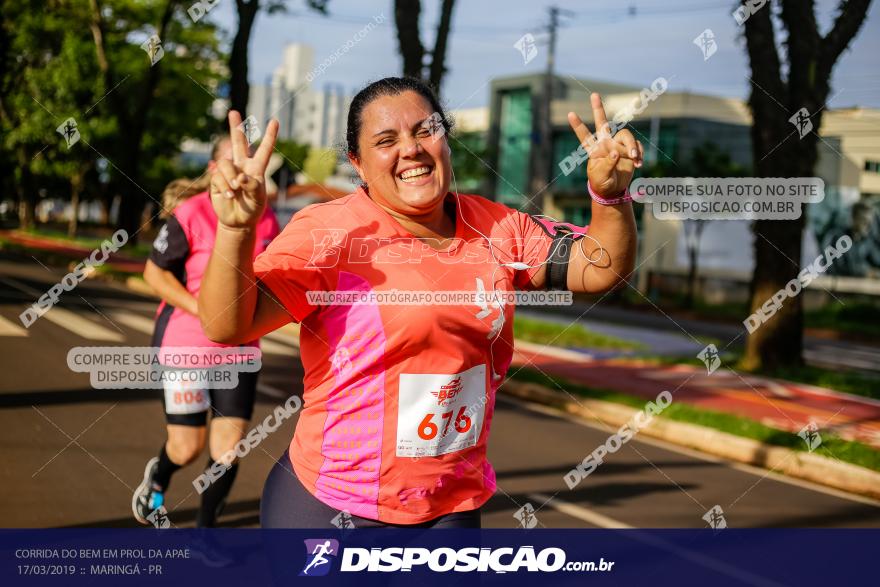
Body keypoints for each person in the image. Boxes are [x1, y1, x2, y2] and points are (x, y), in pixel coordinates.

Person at [199, 77, 639, 528]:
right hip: (334, 504)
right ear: (359, 164)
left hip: (450, 505)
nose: (410, 149)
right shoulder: (331, 231)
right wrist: (235, 231)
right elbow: (226, 324)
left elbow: (602, 268)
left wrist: (609, 197)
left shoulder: (499, 226)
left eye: (425, 130)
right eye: (386, 141)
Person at [132, 136, 280, 535]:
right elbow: (154, 273)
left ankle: (205, 533)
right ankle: (158, 479)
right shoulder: (191, 211)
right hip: (186, 345)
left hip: (241, 349)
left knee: (228, 449)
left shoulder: (265, 217)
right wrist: (207, 311)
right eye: (232, 161)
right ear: (214, 168)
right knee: (186, 447)